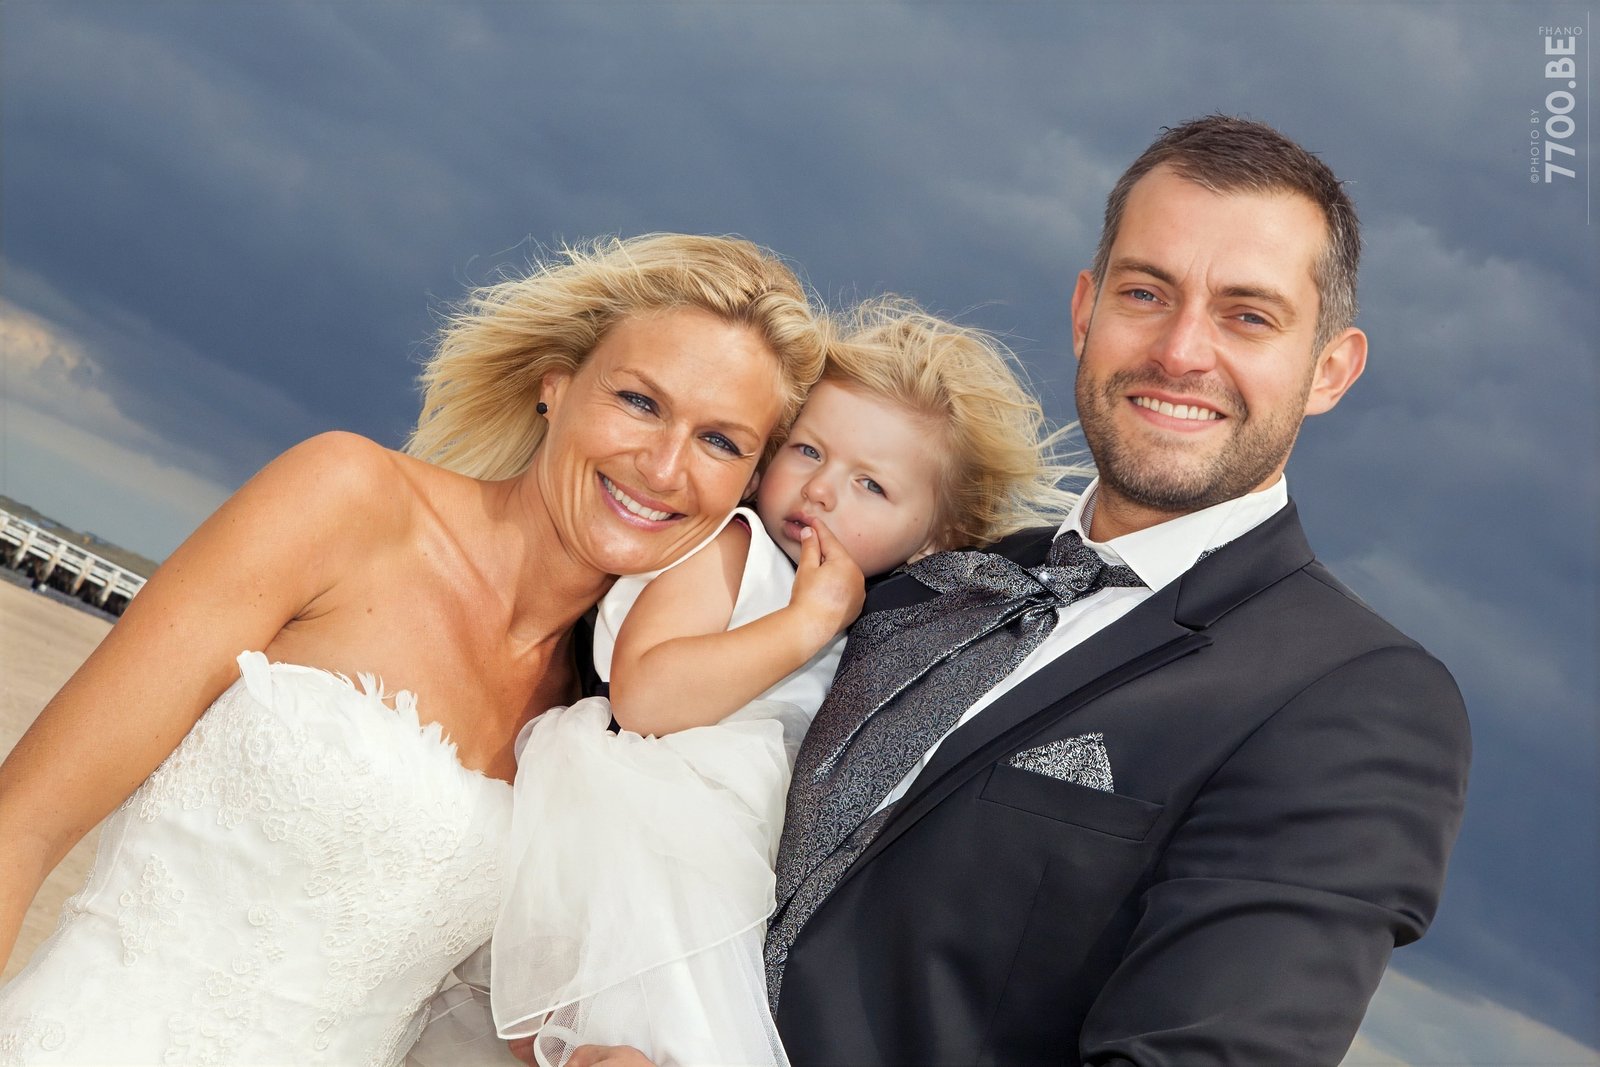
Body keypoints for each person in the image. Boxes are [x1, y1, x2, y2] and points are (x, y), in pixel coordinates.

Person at [0, 233, 827, 1064]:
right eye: (641, 402)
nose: (664, 464)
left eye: (721, 441)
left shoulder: (595, 726)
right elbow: (22, 826)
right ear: (557, 386)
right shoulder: (347, 502)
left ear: (750, 484)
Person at [754, 115, 1474, 1066]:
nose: (1181, 351)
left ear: (1330, 369)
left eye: (1247, 316)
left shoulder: (1357, 700)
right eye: (1147, 292)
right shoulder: (936, 568)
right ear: (1086, 309)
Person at [471, 299, 1085, 1067]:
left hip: (730, 898)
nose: (823, 489)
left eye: (872, 486)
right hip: (645, 852)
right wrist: (803, 623)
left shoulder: (874, 632)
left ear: (935, 539)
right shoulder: (738, 549)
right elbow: (645, 695)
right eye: (808, 452)